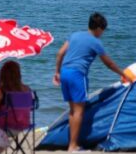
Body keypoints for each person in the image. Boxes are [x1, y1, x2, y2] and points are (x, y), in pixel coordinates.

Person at [53, 12, 132, 152]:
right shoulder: (95, 42)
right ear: (98, 28)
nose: (102, 33)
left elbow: (60, 53)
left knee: (73, 111)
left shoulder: (74, 35)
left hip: (65, 72)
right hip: (77, 75)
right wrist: (123, 74)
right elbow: (109, 64)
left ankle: (71, 144)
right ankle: (73, 146)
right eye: (103, 30)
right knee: (78, 112)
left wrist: (57, 72)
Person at [0, 60, 31, 129]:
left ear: (2, 74)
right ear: (18, 74)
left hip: (4, 126)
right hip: (23, 125)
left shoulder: (1, 91)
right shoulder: (27, 90)